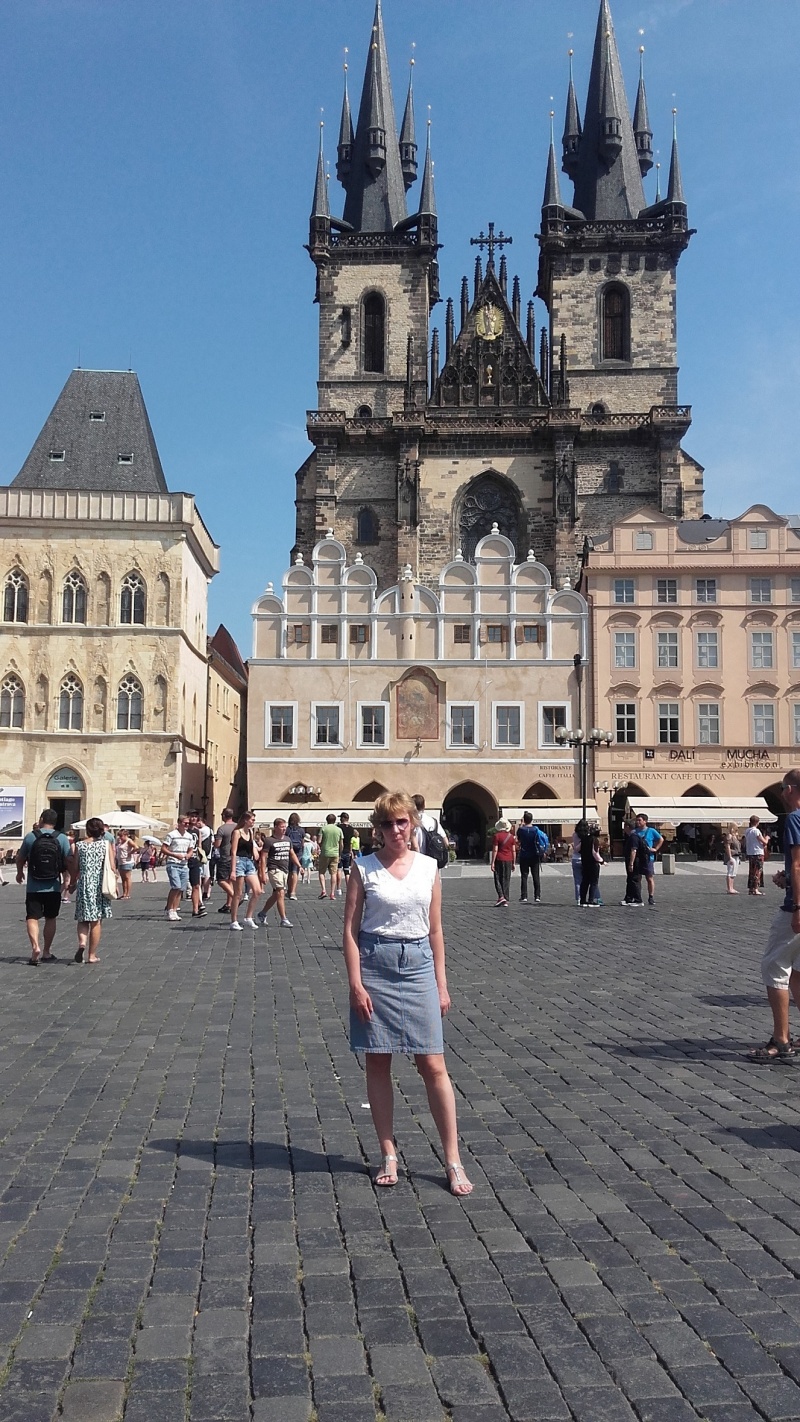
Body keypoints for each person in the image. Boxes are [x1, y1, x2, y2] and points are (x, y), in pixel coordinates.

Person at [343, 791, 472, 1196]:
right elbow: (350, 930)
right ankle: (388, 1153)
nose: (395, 829)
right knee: (378, 1061)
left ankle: (453, 1159)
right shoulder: (363, 868)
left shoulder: (429, 867)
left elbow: (436, 930)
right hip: (375, 965)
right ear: (378, 829)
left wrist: (441, 984)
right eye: (387, 823)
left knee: (433, 1064)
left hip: (417, 967)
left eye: (401, 821)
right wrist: (356, 984)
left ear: (412, 822)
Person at [748, 770, 800, 1064]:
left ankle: (781, 1039)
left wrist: (797, 906)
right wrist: (788, 878)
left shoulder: (795, 818)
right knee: (799, 972)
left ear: (790, 789)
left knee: (774, 966)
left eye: (783, 788)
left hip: (796, 908)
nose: (781, 793)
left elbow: (798, 864)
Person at [15, 808, 71, 964]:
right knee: (51, 918)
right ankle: (46, 951)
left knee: (32, 917)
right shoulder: (62, 838)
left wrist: (19, 873)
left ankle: (35, 947)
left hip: (34, 885)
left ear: (41, 820)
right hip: (53, 885)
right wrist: (70, 878)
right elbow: (68, 860)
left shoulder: (31, 836)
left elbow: (20, 858)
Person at [70, 817, 113, 963]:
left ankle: (82, 943)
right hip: (100, 884)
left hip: (84, 883)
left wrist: (72, 883)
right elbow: (112, 866)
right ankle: (92, 955)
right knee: (96, 920)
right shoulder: (105, 845)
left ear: (87, 830)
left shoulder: (80, 845)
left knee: (83, 918)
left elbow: (75, 867)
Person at [256, 817, 299, 927]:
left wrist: (299, 865)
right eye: (282, 827)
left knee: (276, 894)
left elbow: (292, 853)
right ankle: (284, 919)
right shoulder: (269, 841)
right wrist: (262, 873)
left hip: (285, 870)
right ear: (275, 827)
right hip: (274, 869)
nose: (284, 829)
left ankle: (262, 913)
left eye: (285, 827)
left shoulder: (287, 839)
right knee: (281, 892)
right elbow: (263, 857)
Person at [229, 811, 262, 930]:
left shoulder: (251, 832)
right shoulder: (237, 832)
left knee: (257, 890)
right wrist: (233, 870)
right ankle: (234, 920)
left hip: (249, 862)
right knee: (238, 893)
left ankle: (248, 917)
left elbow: (251, 845)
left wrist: (255, 851)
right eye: (252, 820)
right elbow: (233, 852)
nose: (253, 822)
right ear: (245, 820)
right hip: (239, 861)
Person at [162, 815, 196, 922]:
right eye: (185, 823)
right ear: (179, 823)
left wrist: (189, 855)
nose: (187, 825)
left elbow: (191, 849)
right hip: (173, 863)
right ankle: (169, 909)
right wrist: (174, 855)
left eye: (188, 823)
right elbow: (164, 848)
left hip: (184, 864)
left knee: (181, 889)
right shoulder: (172, 835)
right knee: (176, 886)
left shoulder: (189, 836)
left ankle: (174, 910)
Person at [516, 812, 547, 904]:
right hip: (535, 855)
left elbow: (518, 839)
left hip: (524, 855)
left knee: (524, 876)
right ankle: (537, 896)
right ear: (532, 819)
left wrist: (521, 824)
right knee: (536, 876)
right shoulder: (536, 830)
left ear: (524, 819)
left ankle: (524, 896)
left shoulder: (521, 830)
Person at [634, 813, 663, 907]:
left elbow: (661, 839)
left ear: (645, 821)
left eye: (639, 820)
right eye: (637, 820)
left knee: (649, 877)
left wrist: (655, 848)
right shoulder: (635, 832)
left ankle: (651, 896)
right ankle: (638, 896)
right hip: (638, 857)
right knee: (638, 878)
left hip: (648, 858)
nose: (637, 822)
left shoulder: (651, 831)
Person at [214, 808, 236, 913]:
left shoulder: (222, 829)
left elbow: (218, 844)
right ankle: (229, 904)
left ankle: (235, 897)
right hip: (235, 857)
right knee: (229, 881)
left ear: (223, 816)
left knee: (221, 880)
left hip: (225, 857)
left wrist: (214, 843)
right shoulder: (237, 827)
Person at [489, 818, 515, 906]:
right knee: (507, 879)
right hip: (509, 859)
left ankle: (501, 896)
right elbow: (513, 851)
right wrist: (514, 862)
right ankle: (505, 899)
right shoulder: (511, 837)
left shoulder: (497, 836)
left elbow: (495, 850)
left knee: (497, 878)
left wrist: (492, 862)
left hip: (499, 859)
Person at [620, 819, 646, 905]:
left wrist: (631, 863)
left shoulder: (634, 837)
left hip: (635, 861)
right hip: (633, 861)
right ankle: (629, 898)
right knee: (630, 879)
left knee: (634, 879)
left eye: (624, 827)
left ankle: (638, 900)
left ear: (628, 827)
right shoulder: (632, 836)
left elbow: (633, 850)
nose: (623, 829)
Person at [318, 814, 344, 899]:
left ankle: (323, 890)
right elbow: (341, 844)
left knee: (321, 872)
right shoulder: (339, 830)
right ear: (335, 820)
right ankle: (332, 893)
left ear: (327, 820)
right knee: (333, 873)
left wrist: (322, 845)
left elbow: (319, 841)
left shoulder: (323, 828)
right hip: (335, 853)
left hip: (325, 852)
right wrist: (339, 853)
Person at [579, 822, 603, 907]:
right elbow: (595, 853)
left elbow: (578, 849)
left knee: (585, 881)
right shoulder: (594, 840)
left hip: (585, 862)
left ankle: (582, 900)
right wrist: (601, 861)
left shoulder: (584, 838)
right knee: (593, 882)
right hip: (593, 863)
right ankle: (591, 900)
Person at [744, 815, 768, 896]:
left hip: (750, 852)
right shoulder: (756, 831)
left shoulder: (747, 831)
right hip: (758, 852)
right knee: (758, 871)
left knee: (752, 871)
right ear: (757, 822)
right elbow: (764, 842)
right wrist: (767, 838)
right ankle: (755, 889)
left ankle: (751, 888)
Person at [285, 812, 304, 901]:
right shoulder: (301, 830)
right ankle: (293, 892)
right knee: (295, 871)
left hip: (289, 850)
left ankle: (289, 890)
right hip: (298, 851)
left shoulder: (287, 829)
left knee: (289, 871)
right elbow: (302, 842)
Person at [115, 829, 136, 900]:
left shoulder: (129, 841)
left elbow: (136, 847)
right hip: (121, 861)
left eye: (121, 836)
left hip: (127, 862)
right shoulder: (120, 841)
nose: (120, 837)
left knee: (127, 877)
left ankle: (127, 894)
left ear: (125, 835)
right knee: (123, 879)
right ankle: (124, 893)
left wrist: (130, 853)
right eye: (119, 836)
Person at [337, 812, 354, 896]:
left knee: (339, 870)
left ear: (343, 818)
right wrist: (351, 851)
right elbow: (351, 841)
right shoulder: (351, 828)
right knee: (347, 871)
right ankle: (348, 888)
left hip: (340, 851)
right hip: (347, 850)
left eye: (341, 817)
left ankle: (338, 889)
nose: (340, 819)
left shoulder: (339, 827)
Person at [722, 824, 741, 895]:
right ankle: (729, 888)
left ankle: (732, 887)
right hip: (732, 856)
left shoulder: (734, 836)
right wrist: (730, 857)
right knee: (730, 872)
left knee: (733, 872)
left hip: (736, 855)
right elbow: (728, 846)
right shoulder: (729, 836)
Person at [570, 822, 585, 903]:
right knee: (587, 880)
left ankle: (578, 898)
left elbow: (575, 848)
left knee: (577, 880)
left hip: (575, 858)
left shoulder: (574, 835)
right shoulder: (586, 836)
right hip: (584, 859)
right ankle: (586, 897)